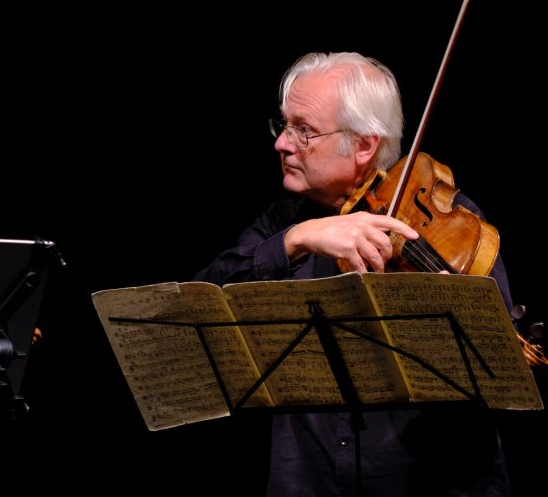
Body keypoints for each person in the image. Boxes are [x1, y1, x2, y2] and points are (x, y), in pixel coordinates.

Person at [195, 52, 513, 496]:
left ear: (364, 145)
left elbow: (495, 368)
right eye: (284, 125)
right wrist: (299, 237)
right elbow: (202, 300)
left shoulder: (451, 227)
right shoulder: (285, 222)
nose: (282, 144)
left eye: (303, 130)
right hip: (307, 482)